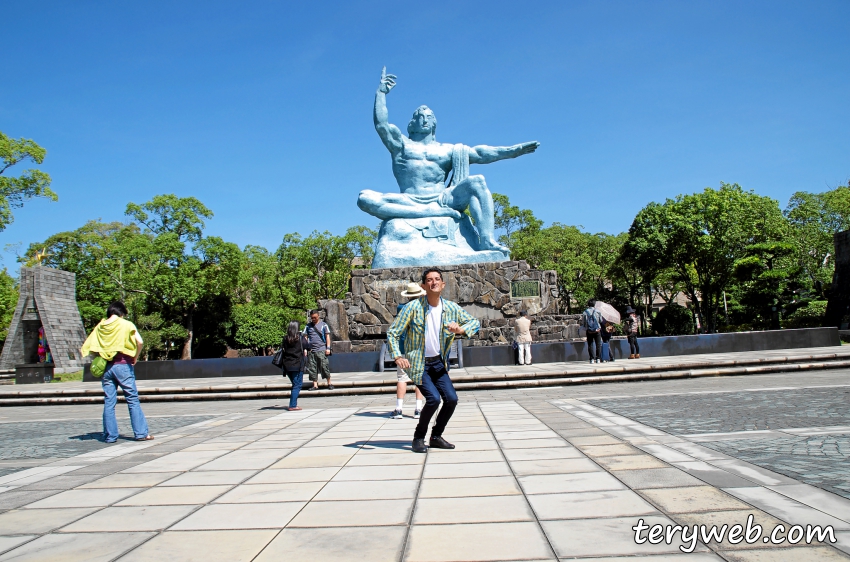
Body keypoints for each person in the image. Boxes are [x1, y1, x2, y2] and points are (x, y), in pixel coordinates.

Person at [387, 268, 480, 454]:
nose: (434, 282)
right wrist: (397, 356)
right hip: (419, 363)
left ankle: (436, 436)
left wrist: (461, 330)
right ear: (424, 286)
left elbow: (474, 323)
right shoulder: (412, 308)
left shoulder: (451, 308)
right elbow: (393, 332)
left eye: (437, 279)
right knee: (433, 400)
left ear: (443, 284)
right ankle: (418, 437)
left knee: (452, 399)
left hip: (438, 363)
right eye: (429, 280)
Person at [80, 300, 152, 443]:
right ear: (121, 312)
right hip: (123, 365)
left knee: (109, 401)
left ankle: (110, 436)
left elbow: (90, 345)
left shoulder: (100, 326)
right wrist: (135, 357)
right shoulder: (126, 324)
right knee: (132, 399)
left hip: (107, 368)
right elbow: (140, 341)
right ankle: (141, 433)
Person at [390, 283, 426, 419]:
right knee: (419, 379)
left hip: (402, 349)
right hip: (417, 349)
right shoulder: (422, 309)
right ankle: (418, 408)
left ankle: (399, 409)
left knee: (402, 378)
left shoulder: (401, 308)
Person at [280, 321, 308, 410]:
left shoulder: (285, 338)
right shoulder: (300, 338)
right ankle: (292, 405)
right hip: (297, 364)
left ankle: (293, 403)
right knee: (297, 385)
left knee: (294, 384)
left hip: (286, 364)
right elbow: (308, 346)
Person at [304, 310, 333, 390]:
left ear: (318, 316)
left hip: (321, 349)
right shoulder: (308, 326)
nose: (313, 319)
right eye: (312, 318)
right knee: (312, 368)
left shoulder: (324, 325)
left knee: (324, 366)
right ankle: (315, 385)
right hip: (311, 350)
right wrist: (305, 348)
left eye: (315, 317)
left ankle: (329, 383)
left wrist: (328, 348)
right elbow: (305, 337)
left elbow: (327, 337)